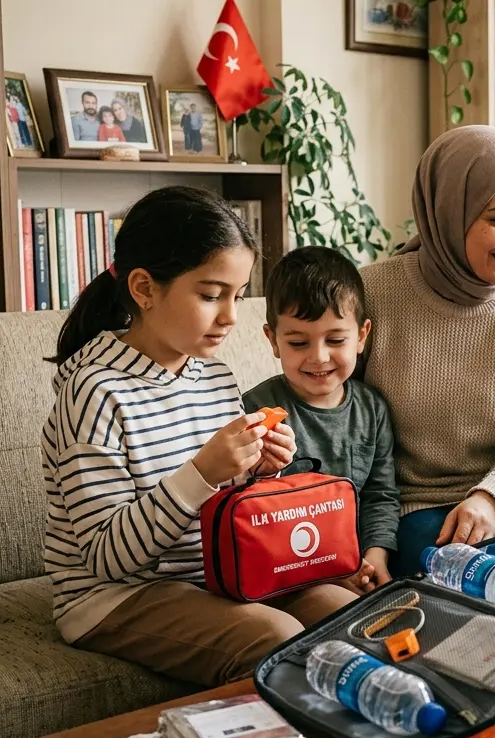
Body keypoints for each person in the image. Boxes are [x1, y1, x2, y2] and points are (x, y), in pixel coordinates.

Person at [40, 186, 360, 688]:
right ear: (144, 289)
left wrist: (257, 469)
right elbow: (108, 558)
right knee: (275, 639)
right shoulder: (95, 390)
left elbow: (222, 508)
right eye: (212, 295)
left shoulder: (213, 375)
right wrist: (204, 471)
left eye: (237, 295)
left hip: (216, 572)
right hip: (115, 596)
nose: (231, 316)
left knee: (353, 616)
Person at [360, 125, 495, 578]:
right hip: (414, 504)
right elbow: (339, 414)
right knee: (456, 572)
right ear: (449, 213)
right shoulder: (371, 292)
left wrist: (490, 497)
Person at [242, 246, 398, 588]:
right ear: (273, 340)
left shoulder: (372, 410)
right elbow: (253, 510)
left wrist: (376, 555)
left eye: (336, 339)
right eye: (298, 342)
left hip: (358, 562)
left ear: (361, 336)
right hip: (290, 568)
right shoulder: (254, 410)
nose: (319, 357)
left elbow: (380, 495)